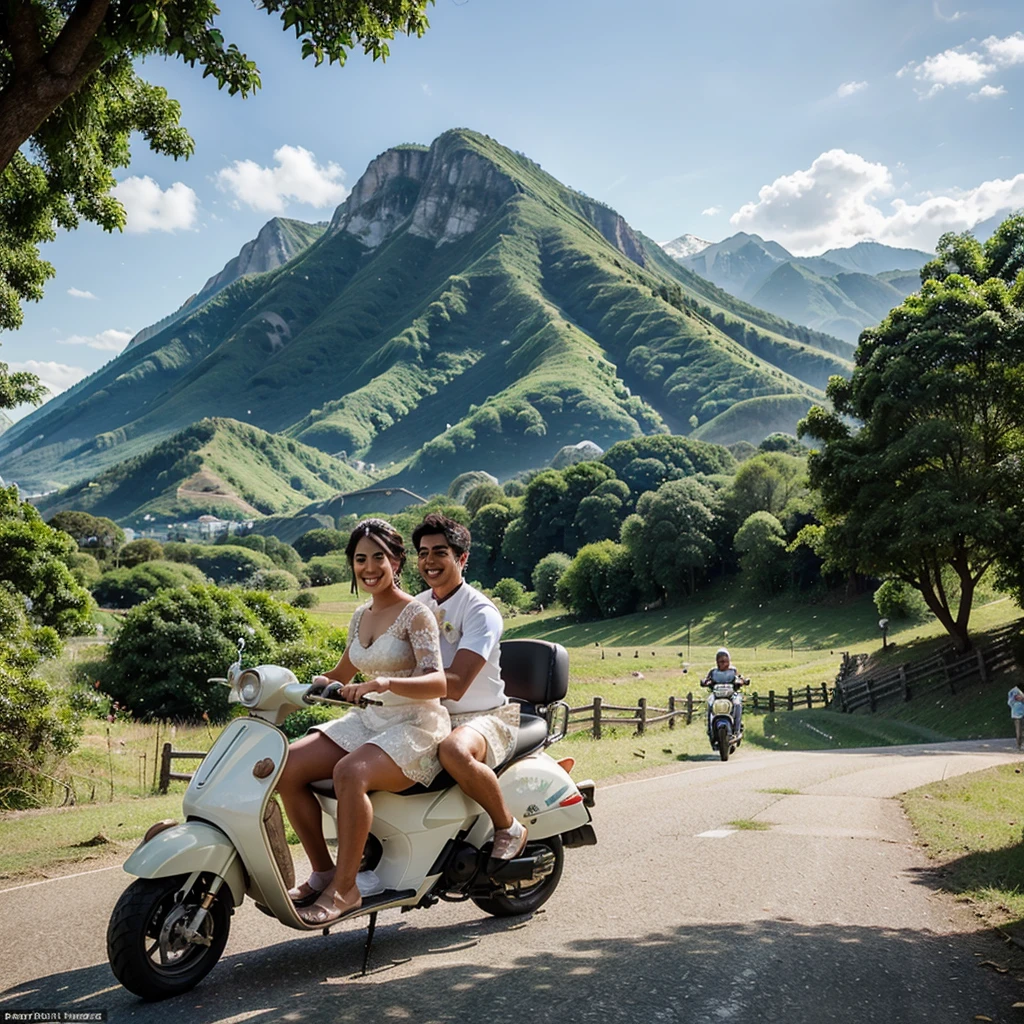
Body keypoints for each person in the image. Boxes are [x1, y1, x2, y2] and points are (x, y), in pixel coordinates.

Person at [276, 519, 449, 926]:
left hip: (415, 724)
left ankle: (346, 888)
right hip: (371, 721)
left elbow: (439, 681)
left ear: (396, 561)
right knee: (287, 767)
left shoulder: (416, 614)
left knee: (349, 773)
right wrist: (317, 684)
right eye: (360, 559)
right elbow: (342, 673)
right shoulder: (360, 616)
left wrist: (387, 682)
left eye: (378, 558)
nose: (369, 567)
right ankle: (323, 871)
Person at [412, 513, 528, 863]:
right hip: (431, 712)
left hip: (485, 717)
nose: (429, 561)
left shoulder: (480, 610)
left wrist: (391, 686)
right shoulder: (417, 605)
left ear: (462, 558)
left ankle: (507, 825)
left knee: (454, 751)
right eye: (422, 552)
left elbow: (459, 684)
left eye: (440, 552)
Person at [704, 647, 746, 734]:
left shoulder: (733, 671)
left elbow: (740, 678)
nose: (723, 664)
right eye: (720, 661)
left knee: (737, 704)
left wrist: (742, 681)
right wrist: (705, 682)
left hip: (731, 695)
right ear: (717, 661)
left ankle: (736, 729)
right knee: (709, 703)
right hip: (716, 695)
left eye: (725, 661)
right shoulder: (713, 672)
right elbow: (706, 679)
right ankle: (710, 728)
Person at [1009, 685, 1024, 750]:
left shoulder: (1022, 702)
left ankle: (1021, 744)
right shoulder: (1013, 702)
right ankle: (1019, 745)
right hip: (1017, 717)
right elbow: (1010, 702)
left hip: (1022, 715)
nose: (1019, 697)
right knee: (1019, 731)